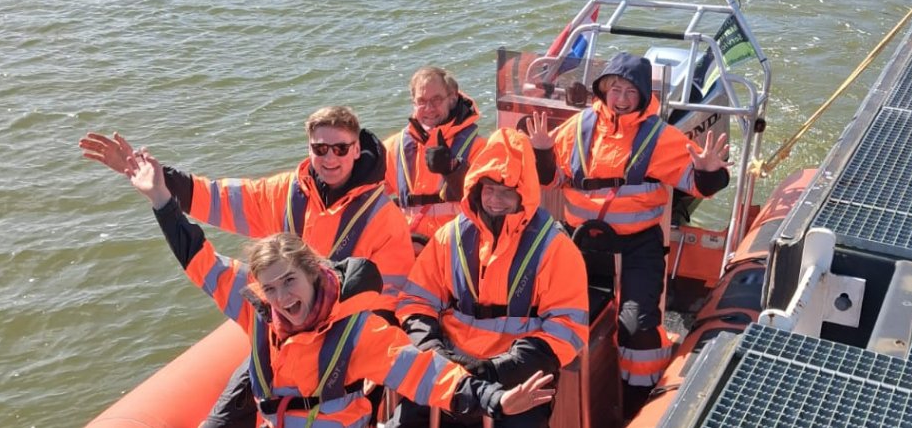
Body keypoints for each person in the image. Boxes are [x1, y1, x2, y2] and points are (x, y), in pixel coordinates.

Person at [118, 148, 556, 428]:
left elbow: (429, 375)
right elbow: (198, 257)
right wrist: (160, 199)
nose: (283, 299)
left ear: (313, 273)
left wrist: (497, 401)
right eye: (271, 289)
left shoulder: (357, 333)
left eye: (289, 282)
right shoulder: (257, 310)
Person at [79, 105, 415, 426]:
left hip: (340, 345)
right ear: (309, 148)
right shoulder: (285, 192)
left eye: (340, 149)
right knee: (219, 421)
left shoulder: (382, 218)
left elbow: (388, 299)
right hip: (277, 338)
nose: (330, 158)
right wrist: (154, 181)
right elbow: (217, 198)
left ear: (356, 149)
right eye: (320, 148)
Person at [525, 52, 730, 415]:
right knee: (545, 312)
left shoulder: (660, 137)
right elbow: (552, 178)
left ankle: (639, 404)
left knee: (638, 328)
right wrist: (542, 152)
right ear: (603, 90)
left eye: (630, 92)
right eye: (615, 89)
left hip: (637, 247)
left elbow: (700, 186)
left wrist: (710, 171)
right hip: (581, 242)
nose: (621, 98)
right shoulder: (576, 128)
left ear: (643, 96)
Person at [390, 128, 589, 428]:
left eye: (506, 191)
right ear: (475, 188)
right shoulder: (450, 237)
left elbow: (566, 329)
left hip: (517, 379)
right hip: (449, 370)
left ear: (524, 193)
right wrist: (434, 351)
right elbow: (416, 301)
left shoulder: (555, 248)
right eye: (488, 189)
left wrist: (496, 370)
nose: (495, 199)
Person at [383, 66, 486, 254]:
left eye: (436, 100)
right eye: (421, 101)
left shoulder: (478, 147)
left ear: (452, 99)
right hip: (409, 248)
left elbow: (487, 202)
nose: (429, 108)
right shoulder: (393, 148)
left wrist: (453, 170)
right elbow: (366, 195)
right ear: (413, 103)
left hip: (457, 249)